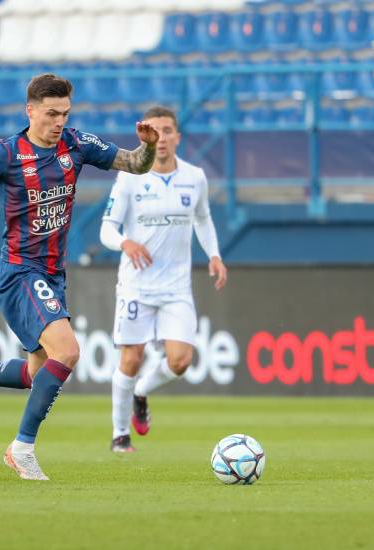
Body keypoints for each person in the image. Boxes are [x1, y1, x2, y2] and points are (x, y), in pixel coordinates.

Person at [0, 73, 159, 480]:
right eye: (51, 114)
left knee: (37, 373)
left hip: (52, 275)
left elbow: (135, 165)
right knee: (67, 352)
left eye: (65, 114)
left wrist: (149, 146)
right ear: (30, 111)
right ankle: (22, 448)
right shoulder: (6, 153)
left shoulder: (78, 144)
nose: (59, 123)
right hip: (20, 272)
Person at [99, 106, 227, 453]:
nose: (162, 137)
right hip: (137, 286)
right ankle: (119, 435)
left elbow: (202, 218)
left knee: (180, 362)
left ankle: (141, 392)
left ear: (177, 136)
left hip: (175, 288)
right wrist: (125, 241)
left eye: (167, 130)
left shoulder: (195, 177)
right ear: (144, 136)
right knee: (130, 359)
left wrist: (214, 254)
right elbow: (107, 228)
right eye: (154, 130)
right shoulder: (130, 177)